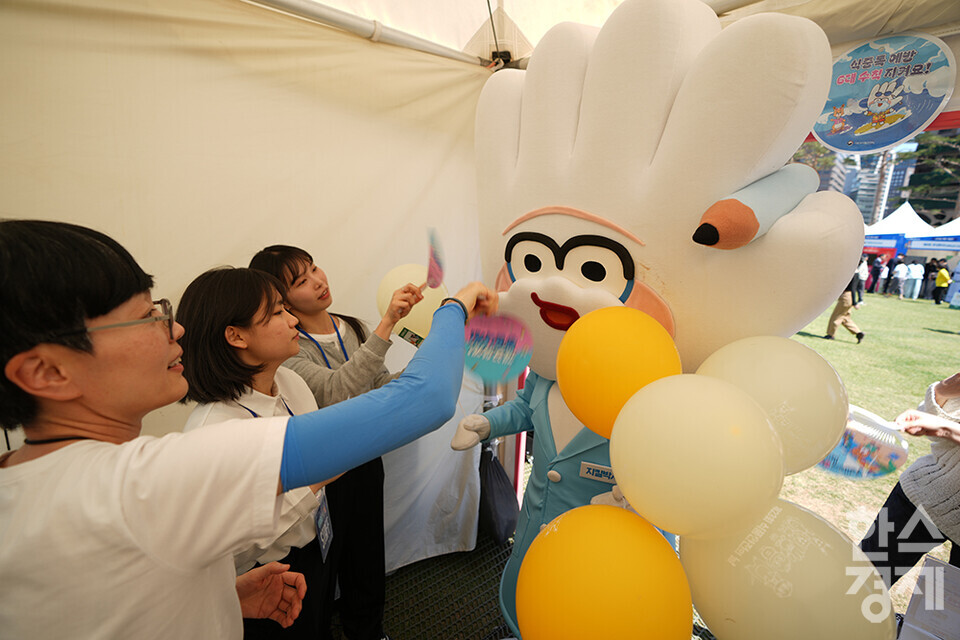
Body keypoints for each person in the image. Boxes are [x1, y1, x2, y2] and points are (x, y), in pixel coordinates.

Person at [0, 219, 496, 639]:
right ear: (47, 372)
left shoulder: (32, 488)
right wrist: (454, 307)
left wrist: (218, 594)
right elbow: (425, 399)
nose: (175, 330)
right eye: (146, 317)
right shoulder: (145, 486)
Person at [249, 245, 421, 640]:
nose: (317, 282)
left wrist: (423, 365)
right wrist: (388, 324)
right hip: (321, 472)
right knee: (321, 567)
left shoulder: (355, 328)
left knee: (367, 557)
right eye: (301, 281)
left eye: (314, 269)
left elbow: (381, 388)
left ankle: (368, 631)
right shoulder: (290, 344)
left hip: (366, 459)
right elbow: (334, 391)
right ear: (281, 299)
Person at [176, 267, 343, 639]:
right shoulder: (214, 429)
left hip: (316, 540)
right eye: (278, 312)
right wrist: (316, 479)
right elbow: (230, 546)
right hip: (261, 575)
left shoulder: (290, 381)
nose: (293, 320)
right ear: (236, 336)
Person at [860, 372, 960, 588]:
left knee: (947, 608)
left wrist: (945, 429)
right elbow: (929, 423)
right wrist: (942, 390)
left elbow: (941, 429)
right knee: (861, 582)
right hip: (928, 495)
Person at [823, 273, 864, 343]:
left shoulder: (853, 274)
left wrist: (854, 303)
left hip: (846, 296)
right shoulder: (856, 274)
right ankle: (858, 333)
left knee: (836, 316)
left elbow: (853, 288)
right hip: (848, 297)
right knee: (845, 318)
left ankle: (831, 334)